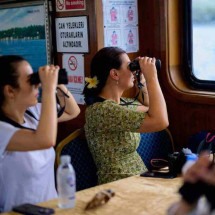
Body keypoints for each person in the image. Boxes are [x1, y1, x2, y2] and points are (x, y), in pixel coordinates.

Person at [0, 55, 80, 212]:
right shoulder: (2, 130)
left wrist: (57, 83)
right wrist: (48, 89)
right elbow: (45, 140)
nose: (37, 84)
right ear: (10, 91)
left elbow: (73, 111)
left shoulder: (34, 113)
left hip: (50, 208)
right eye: (31, 80)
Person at [83, 47, 169, 184]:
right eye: (130, 66)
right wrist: (152, 77)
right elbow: (160, 121)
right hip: (119, 184)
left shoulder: (122, 104)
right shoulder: (102, 111)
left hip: (137, 179)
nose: (133, 71)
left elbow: (148, 106)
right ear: (114, 74)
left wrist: (144, 81)